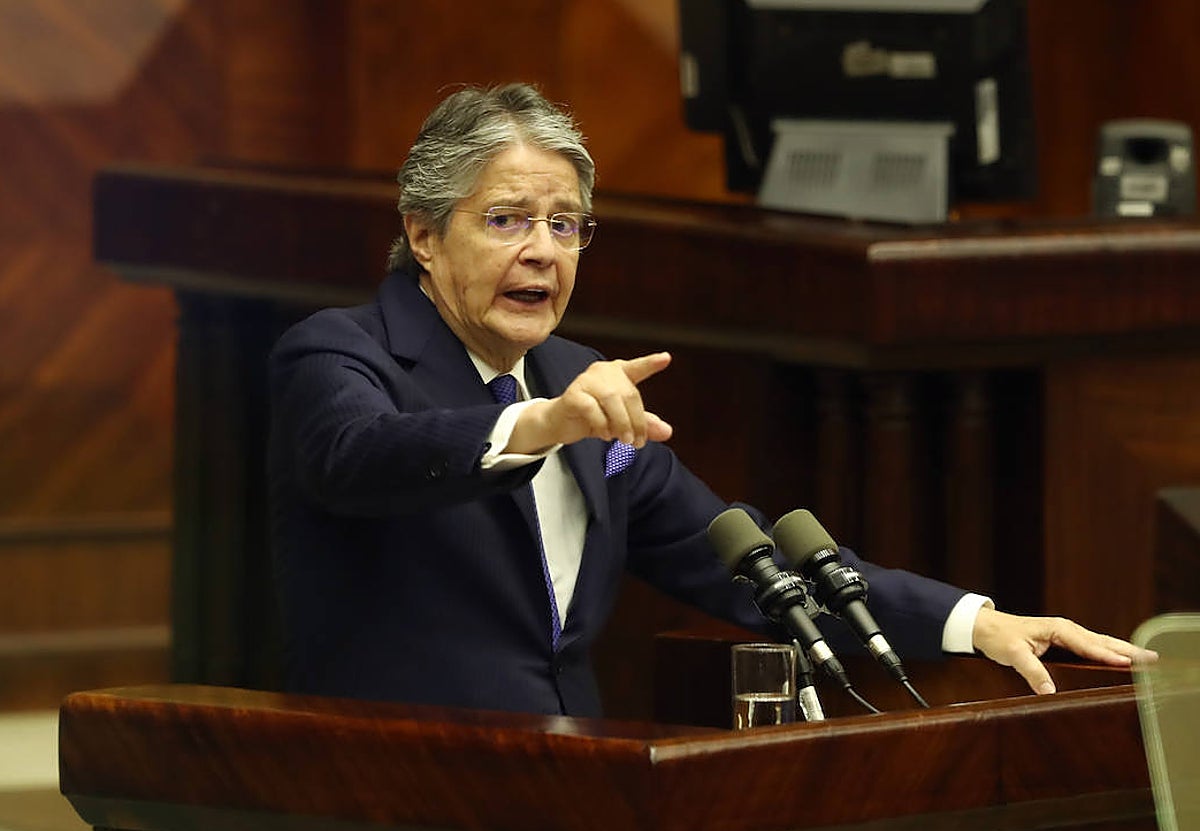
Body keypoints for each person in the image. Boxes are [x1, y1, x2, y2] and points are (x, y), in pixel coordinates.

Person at [268, 83, 1146, 717]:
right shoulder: (340, 353)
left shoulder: (580, 385)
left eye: (565, 224)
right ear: (423, 234)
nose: (544, 251)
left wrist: (974, 622)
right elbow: (360, 460)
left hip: (568, 783)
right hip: (387, 789)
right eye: (507, 220)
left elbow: (743, 559)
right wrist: (538, 424)